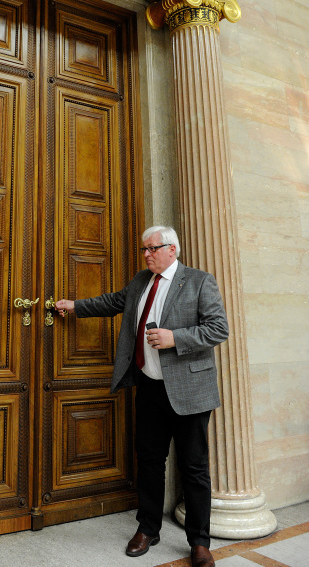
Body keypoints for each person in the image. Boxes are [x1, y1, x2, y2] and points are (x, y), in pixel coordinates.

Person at [56, 225, 228, 567]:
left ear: (172, 250)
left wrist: (174, 338)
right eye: (144, 249)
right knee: (149, 462)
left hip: (190, 392)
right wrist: (76, 305)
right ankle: (148, 528)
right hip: (150, 386)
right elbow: (113, 302)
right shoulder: (140, 282)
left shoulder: (198, 281)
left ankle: (199, 542)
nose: (147, 254)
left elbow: (218, 328)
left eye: (153, 248)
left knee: (194, 468)